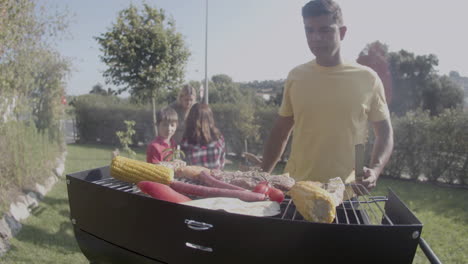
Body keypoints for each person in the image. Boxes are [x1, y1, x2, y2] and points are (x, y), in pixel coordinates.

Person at [261, 0, 394, 191]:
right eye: (309, 30)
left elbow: (385, 133)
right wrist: (262, 175)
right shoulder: (296, 76)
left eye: (325, 30)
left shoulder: (368, 78)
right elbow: (280, 133)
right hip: (297, 190)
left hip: (346, 193)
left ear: (342, 32)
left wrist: (375, 169)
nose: (316, 38)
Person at [180, 103, 226, 170]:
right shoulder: (219, 139)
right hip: (215, 178)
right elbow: (222, 163)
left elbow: (184, 167)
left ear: (190, 119)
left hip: (193, 179)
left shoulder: (186, 142)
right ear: (210, 119)